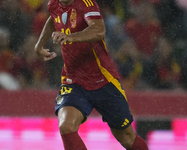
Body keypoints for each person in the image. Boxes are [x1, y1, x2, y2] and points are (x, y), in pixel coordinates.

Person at [34, 0, 149, 149]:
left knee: (126, 138)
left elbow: (99, 30)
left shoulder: (85, 3)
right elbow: (54, 17)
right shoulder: (53, 4)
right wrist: (40, 44)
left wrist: (71, 37)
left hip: (103, 80)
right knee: (66, 126)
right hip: (73, 80)